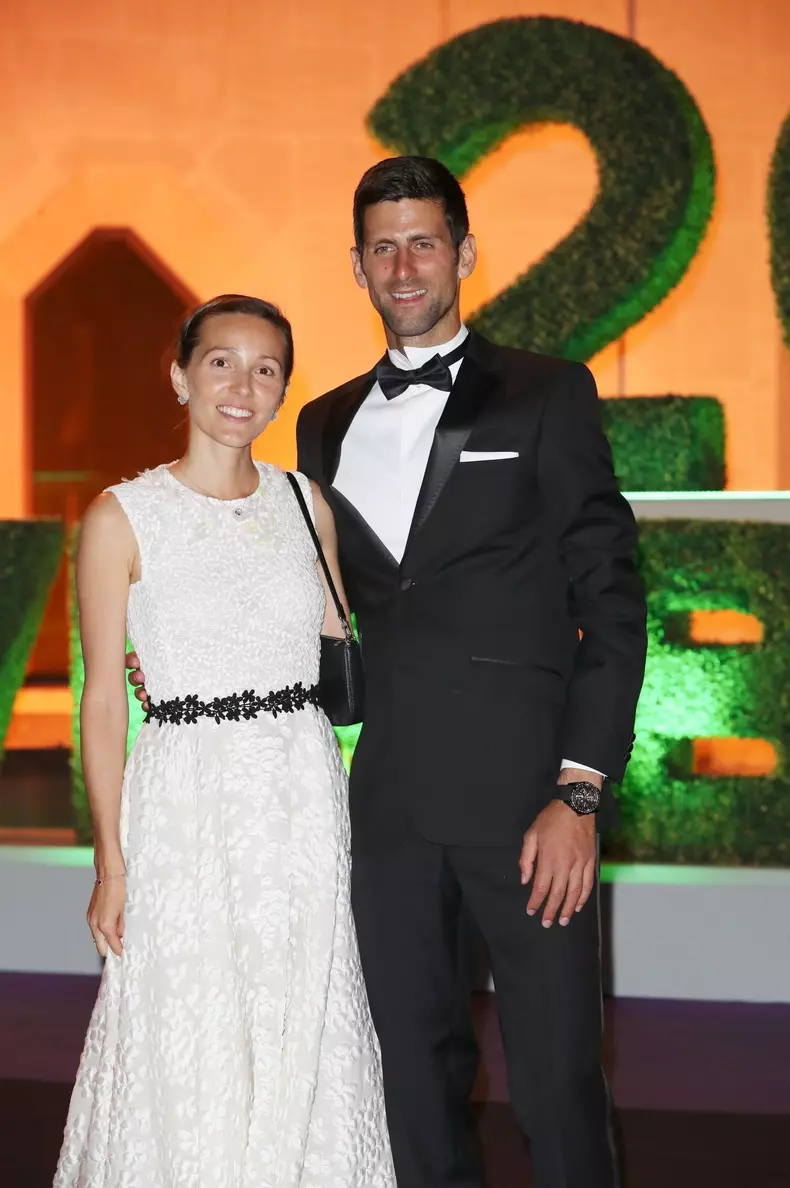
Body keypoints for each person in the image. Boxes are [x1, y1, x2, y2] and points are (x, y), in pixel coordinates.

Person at [295, 158, 647, 1188]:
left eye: (422, 241)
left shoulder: (546, 392)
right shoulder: (321, 422)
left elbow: (613, 605)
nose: (403, 265)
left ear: (464, 252)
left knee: (555, 1081)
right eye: (381, 246)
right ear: (355, 265)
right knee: (411, 1080)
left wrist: (577, 792)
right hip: (390, 809)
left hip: (528, 806)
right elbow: (330, 607)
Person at [55, 295, 395, 1188]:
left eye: (268, 368)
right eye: (221, 362)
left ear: (284, 387)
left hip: (299, 790)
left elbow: (335, 645)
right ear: (179, 374)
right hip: (183, 797)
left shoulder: (303, 502)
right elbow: (100, 701)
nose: (243, 385)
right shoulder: (121, 518)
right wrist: (112, 861)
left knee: (302, 1010)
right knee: (188, 1018)